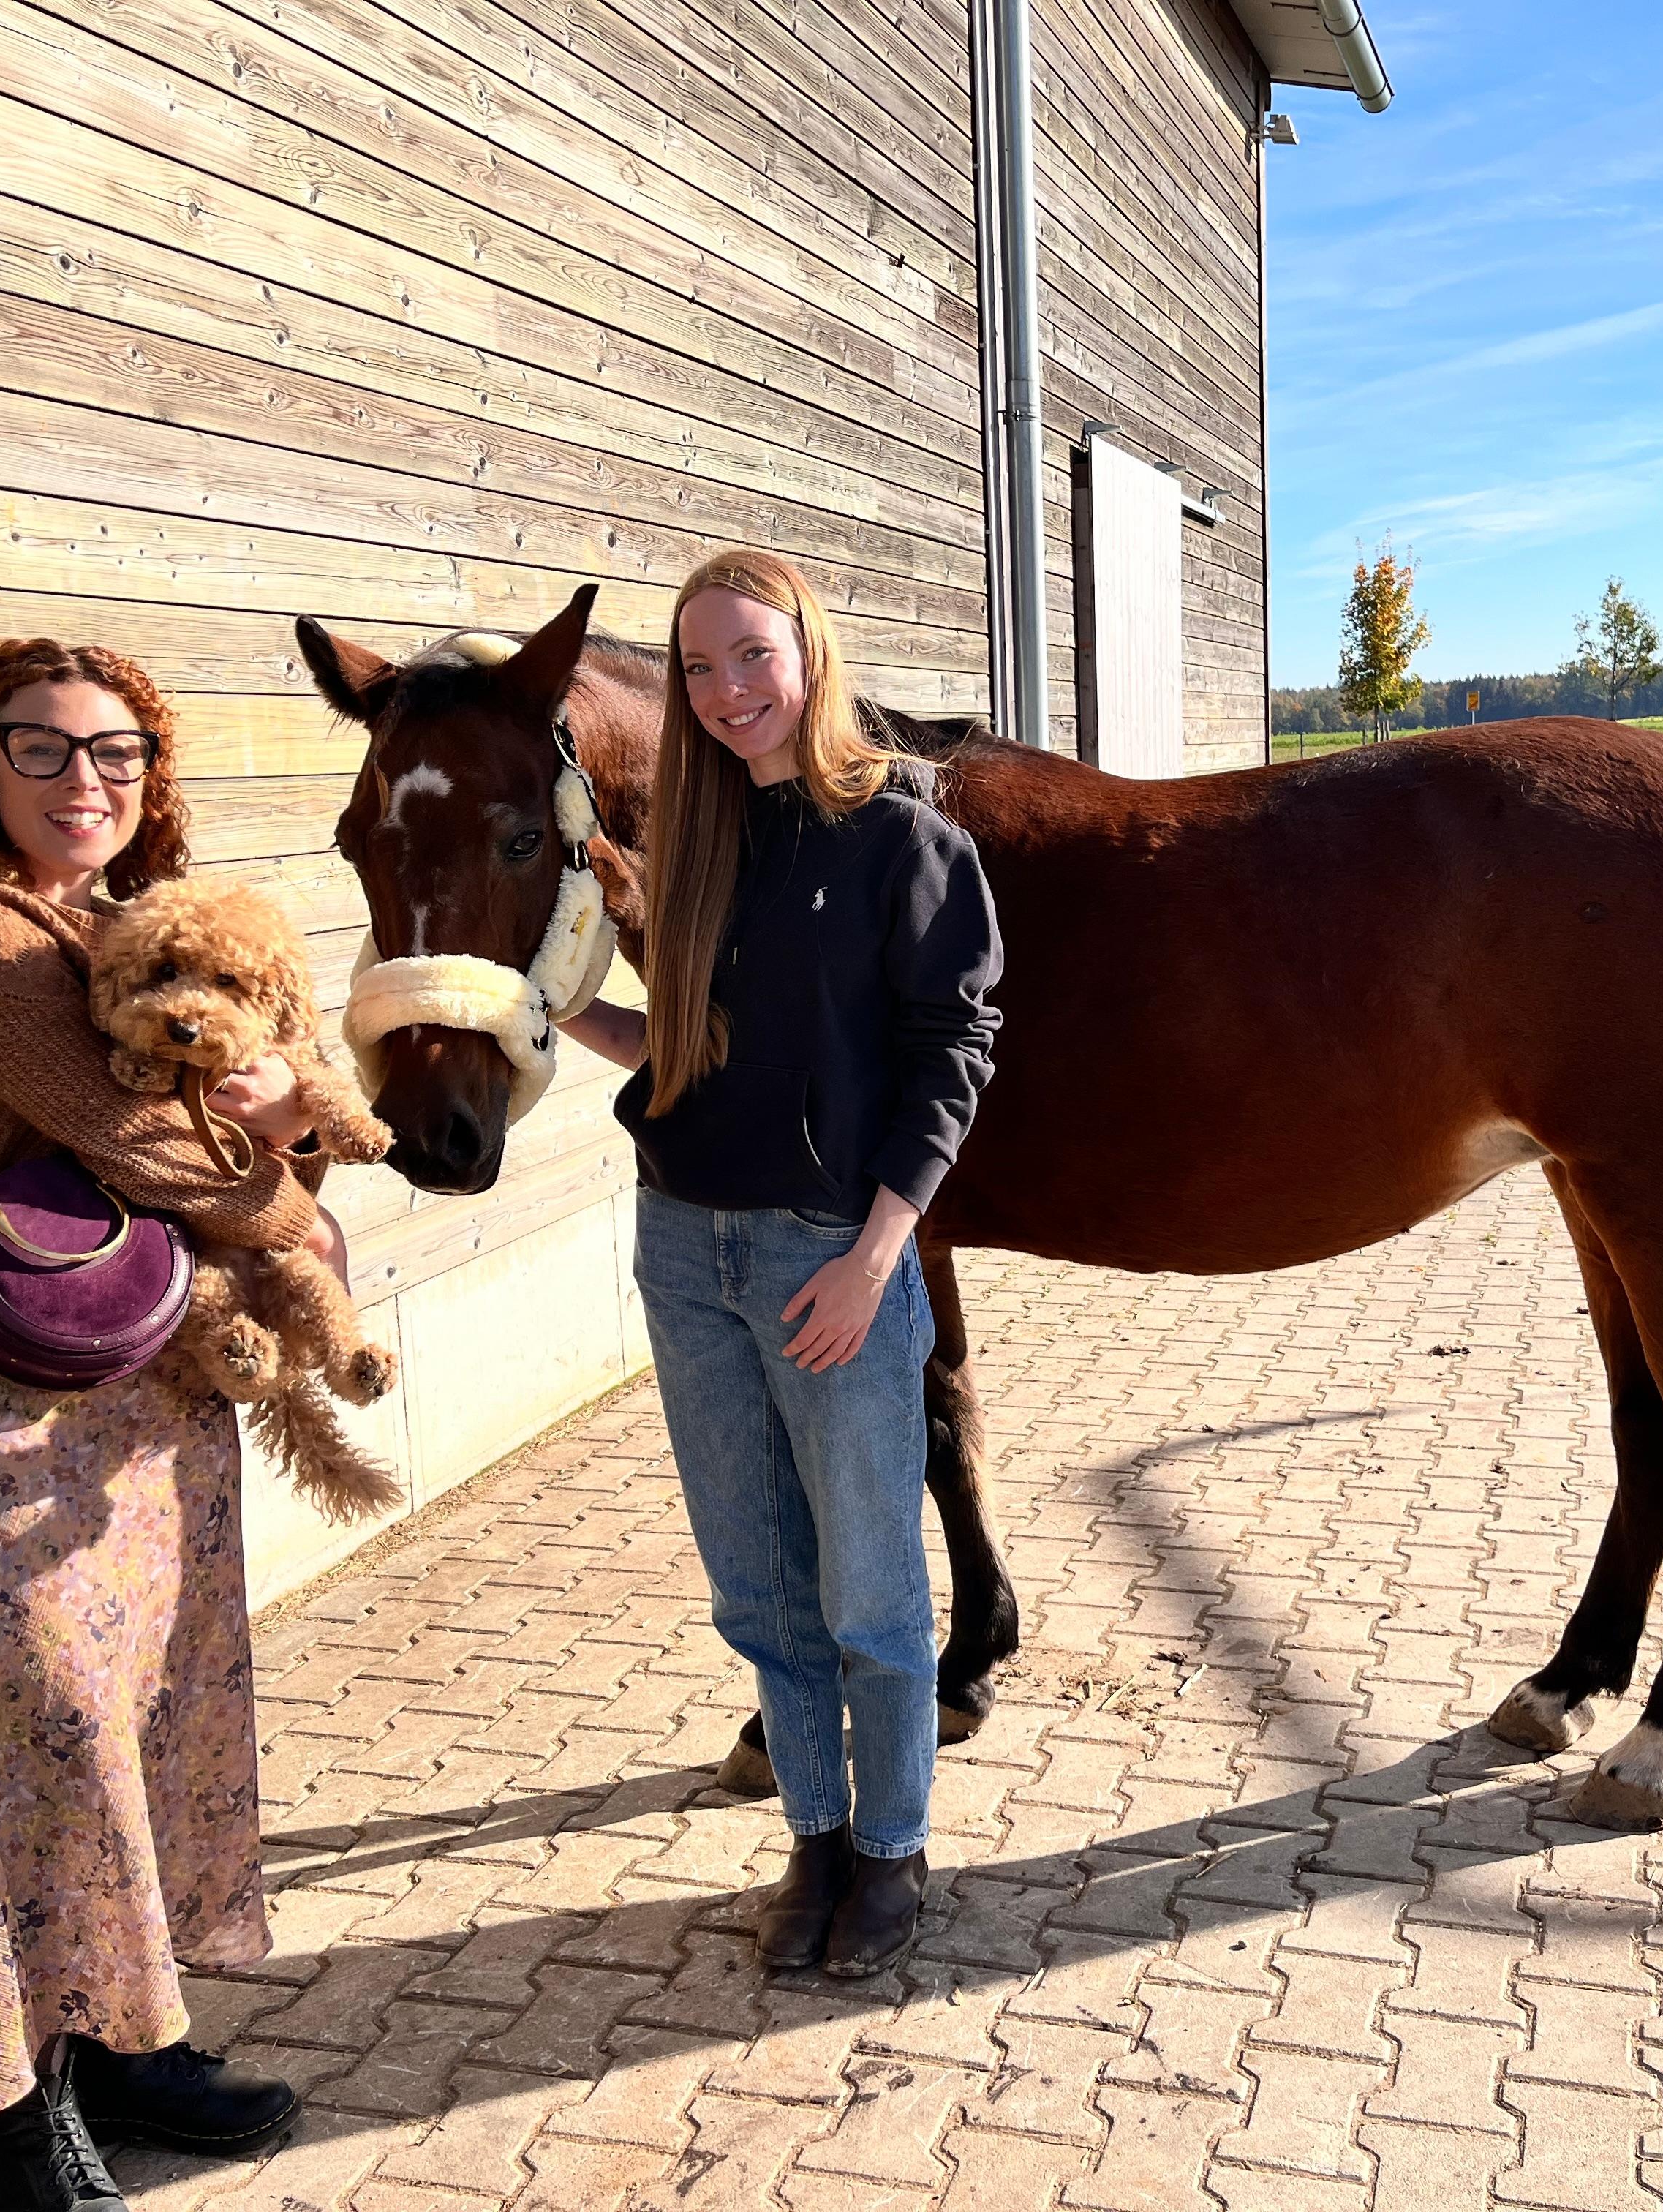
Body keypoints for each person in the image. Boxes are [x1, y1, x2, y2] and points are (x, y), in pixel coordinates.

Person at [0, 640, 349, 2212]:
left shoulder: (122, 930)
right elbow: (142, 1138)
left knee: (147, 1714)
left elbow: (244, 1130)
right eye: (43, 748)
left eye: (118, 751)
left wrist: (289, 1139)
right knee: (28, 1739)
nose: (87, 781)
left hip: (140, 1383)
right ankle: (24, 2116)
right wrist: (291, 1193)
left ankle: (130, 2044)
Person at [560, 549, 1003, 1978]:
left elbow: (954, 1061)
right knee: (761, 1588)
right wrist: (559, 1013)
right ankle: (817, 1836)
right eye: (700, 668)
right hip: (686, 1250)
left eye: (751, 655)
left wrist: (881, 1260)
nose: (728, 689)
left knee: (870, 1589)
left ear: (808, 655)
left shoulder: (905, 842)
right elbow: (685, 1053)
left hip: (832, 1261)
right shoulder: (700, 849)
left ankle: (893, 1856)